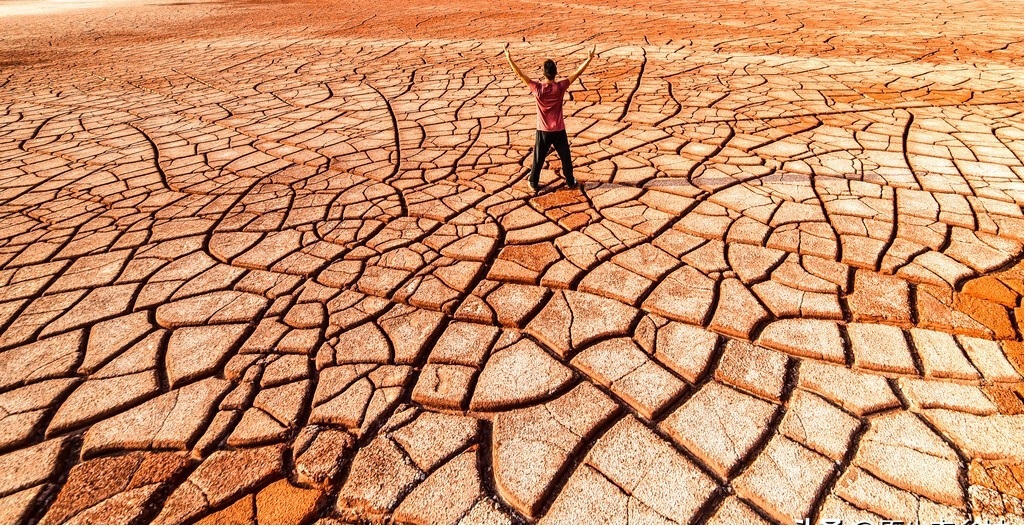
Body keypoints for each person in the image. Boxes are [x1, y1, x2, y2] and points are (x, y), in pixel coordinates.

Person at [504, 44, 596, 192]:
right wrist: (588, 59)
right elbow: (577, 73)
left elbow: (520, 74)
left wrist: (509, 59)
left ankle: (533, 183)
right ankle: (570, 181)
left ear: (544, 73)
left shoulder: (537, 88)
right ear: (555, 73)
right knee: (565, 157)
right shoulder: (560, 87)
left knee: (538, 158)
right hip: (559, 129)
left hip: (543, 130)